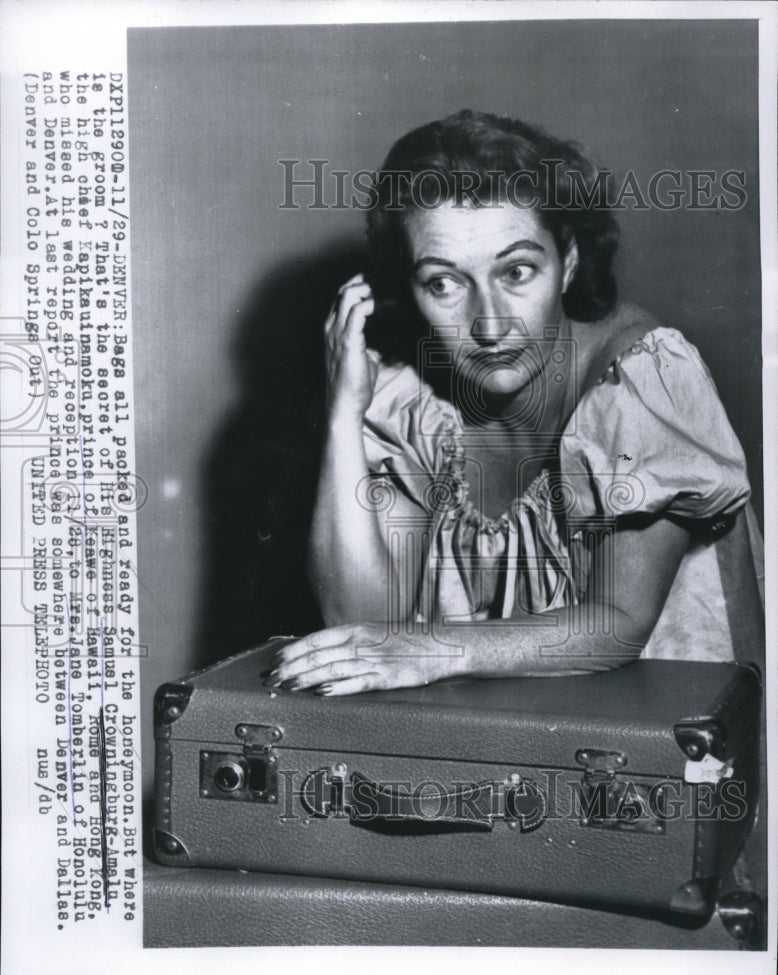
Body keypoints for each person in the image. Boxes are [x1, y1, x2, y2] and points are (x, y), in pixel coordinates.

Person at [266, 109, 764, 694]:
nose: (490, 324)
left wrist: (432, 650)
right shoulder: (415, 405)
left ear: (568, 261)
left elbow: (620, 625)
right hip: (519, 745)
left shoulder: (642, 376)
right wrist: (344, 413)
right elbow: (359, 628)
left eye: (518, 271)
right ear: (408, 290)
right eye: (444, 283)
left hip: (672, 747)